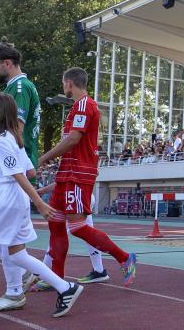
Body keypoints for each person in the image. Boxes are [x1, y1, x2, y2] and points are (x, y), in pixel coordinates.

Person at [0, 94, 83, 317]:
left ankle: (19, 291)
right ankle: (66, 288)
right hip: (14, 200)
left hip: (5, 199)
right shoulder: (14, 140)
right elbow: (31, 171)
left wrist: (39, 202)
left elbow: (18, 174)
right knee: (17, 254)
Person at [34, 68, 136, 287]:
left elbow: (72, 140)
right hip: (67, 174)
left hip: (78, 175)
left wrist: (42, 159)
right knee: (56, 225)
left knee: (77, 227)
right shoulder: (77, 108)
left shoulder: (84, 105)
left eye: (63, 84)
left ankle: (124, 257)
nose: (63, 88)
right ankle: (57, 280)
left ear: (69, 83)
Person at [0, 42, 42, 311]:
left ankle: (17, 287)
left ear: (7, 63)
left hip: (10, 177)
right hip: (11, 173)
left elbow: (13, 132)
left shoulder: (17, 88)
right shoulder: (17, 88)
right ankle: (19, 283)